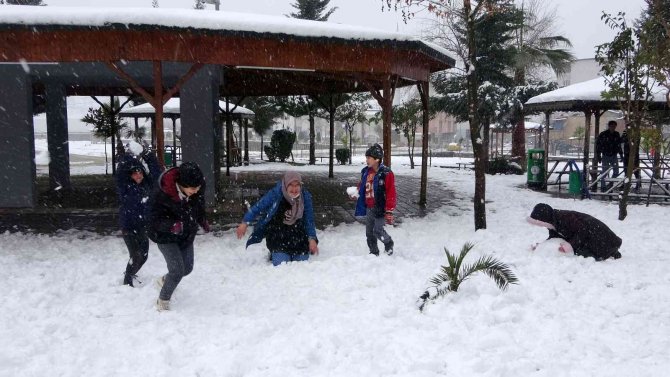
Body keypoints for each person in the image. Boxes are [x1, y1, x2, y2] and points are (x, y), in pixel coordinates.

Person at [148, 162, 210, 311]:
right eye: (192, 188)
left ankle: (164, 280)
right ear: (181, 184)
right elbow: (152, 220)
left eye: (198, 188)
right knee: (177, 271)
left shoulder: (197, 188)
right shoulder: (161, 193)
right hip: (165, 237)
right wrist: (172, 225)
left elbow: (198, 206)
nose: (196, 191)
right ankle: (162, 302)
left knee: (187, 268)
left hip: (186, 234)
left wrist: (202, 220)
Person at [236, 171, 318, 266]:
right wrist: (245, 222)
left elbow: (309, 220)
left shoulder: (305, 197)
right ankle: (276, 253)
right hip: (278, 235)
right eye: (291, 185)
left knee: (301, 264)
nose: (294, 189)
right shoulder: (276, 193)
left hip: (298, 236)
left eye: (297, 185)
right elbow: (258, 207)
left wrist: (312, 238)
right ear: (286, 184)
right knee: (281, 263)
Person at [116, 142, 162, 287]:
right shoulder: (125, 186)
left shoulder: (147, 185)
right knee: (135, 255)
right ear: (130, 175)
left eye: (140, 172)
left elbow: (156, 173)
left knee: (144, 256)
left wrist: (147, 155)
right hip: (128, 227)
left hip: (142, 226)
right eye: (135, 173)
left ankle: (130, 274)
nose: (138, 175)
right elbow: (122, 170)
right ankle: (127, 281)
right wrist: (129, 156)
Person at [527, 203, 622, 261]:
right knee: (577, 249)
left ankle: (611, 250)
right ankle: (611, 250)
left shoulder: (566, 218)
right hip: (590, 235)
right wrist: (543, 246)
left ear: (545, 219)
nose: (542, 226)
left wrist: (570, 245)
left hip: (598, 235)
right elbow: (554, 236)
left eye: (541, 223)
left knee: (581, 253)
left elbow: (582, 231)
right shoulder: (553, 220)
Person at [352, 143, 396, 256]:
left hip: (380, 207)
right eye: (366, 157)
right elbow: (361, 185)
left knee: (377, 230)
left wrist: (389, 209)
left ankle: (388, 242)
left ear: (377, 159)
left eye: (369, 158)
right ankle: (373, 251)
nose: (366, 160)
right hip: (369, 207)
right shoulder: (365, 171)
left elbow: (391, 192)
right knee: (369, 233)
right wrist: (356, 193)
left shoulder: (386, 173)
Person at [596, 120, 624, 192]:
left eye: (614, 126)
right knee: (604, 172)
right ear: (609, 126)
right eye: (612, 126)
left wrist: (621, 155)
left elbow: (619, 145)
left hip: (614, 155)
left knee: (616, 172)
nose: (613, 127)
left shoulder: (616, 134)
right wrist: (599, 156)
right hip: (605, 155)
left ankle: (610, 183)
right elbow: (598, 145)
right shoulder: (603, 134)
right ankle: (603, 186)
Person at [621, 126, 641, 191]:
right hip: (627, 155)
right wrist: (625, 135)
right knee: (626, 170)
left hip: (634, 155)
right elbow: (622, 140)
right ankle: (626, 184)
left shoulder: (636, 132)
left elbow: (636, 143)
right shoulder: (626, 132)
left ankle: (638, 184)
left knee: (636, 170)